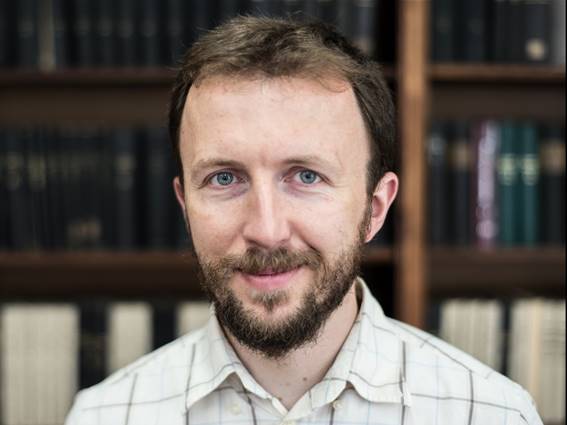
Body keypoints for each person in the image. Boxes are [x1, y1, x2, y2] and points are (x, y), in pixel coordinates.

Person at [65, 16, 542, 425]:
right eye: (224, 178)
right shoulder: (104, 416)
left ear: (375, 208)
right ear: (185, 206)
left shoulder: (492, 413)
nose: (266, 230)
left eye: (306, 176)